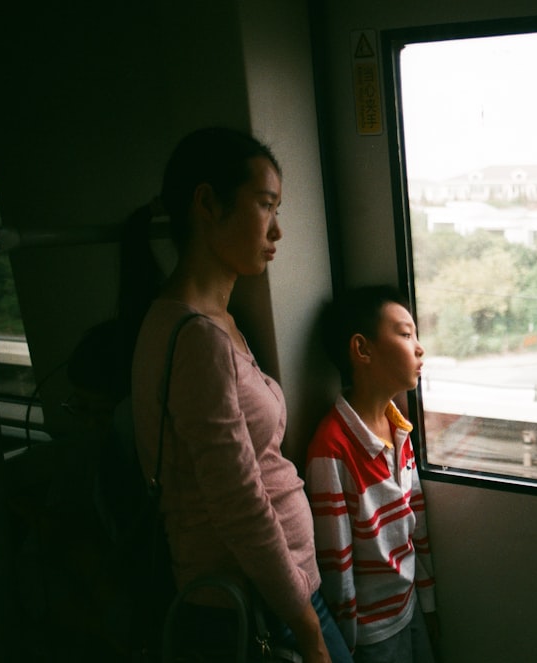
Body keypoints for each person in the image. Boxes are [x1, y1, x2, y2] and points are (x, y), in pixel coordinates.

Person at [130, 127, 352, 663]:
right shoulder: (197, 340)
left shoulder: (214, 323)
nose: (276, 230)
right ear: (207, 203)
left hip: (276, 594)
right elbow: (239, 505)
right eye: (265, 205)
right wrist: (307, 629)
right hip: (257, 606)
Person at [306, 285, 439, 662]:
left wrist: (427, 604)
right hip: (371, 632)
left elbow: (418, 526)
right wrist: (345, 645)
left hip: (408, 605)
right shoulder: (332, 448)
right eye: (405, 333)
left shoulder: (399, 429)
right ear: (362, 350)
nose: (419, 347)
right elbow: (338, 563)